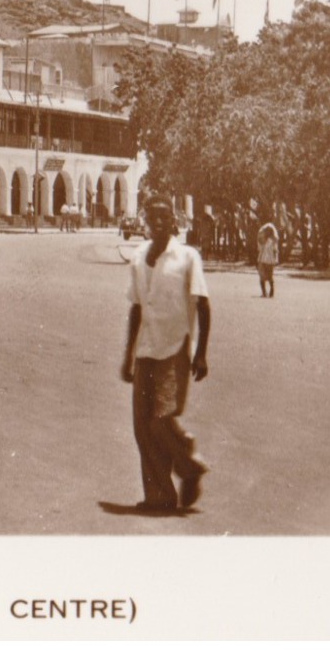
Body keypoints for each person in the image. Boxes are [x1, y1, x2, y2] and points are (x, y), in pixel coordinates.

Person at [121, 198, 212, 513]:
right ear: (145, 220)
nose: (158, 223)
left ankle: (189, 463)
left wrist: (201, 353)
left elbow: (202, 304)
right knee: (142, 426)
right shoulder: (137, 256)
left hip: (175, 347)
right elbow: (136, 307)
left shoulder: (187, 257)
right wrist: (128, 355)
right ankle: (159, 495)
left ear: (173, 221)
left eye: (164, 217)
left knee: (161, 420)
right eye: (152, 217)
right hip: (146, 349)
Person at [256, 221, 280, 298]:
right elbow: (275, 250)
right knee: (269, 276)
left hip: (263, 260)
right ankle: (270, 292)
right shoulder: (273, 241)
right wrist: (276, 259)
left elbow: (260, 248)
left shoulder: (265, 241)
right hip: (270, 260)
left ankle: (265, 292)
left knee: (263, 277)